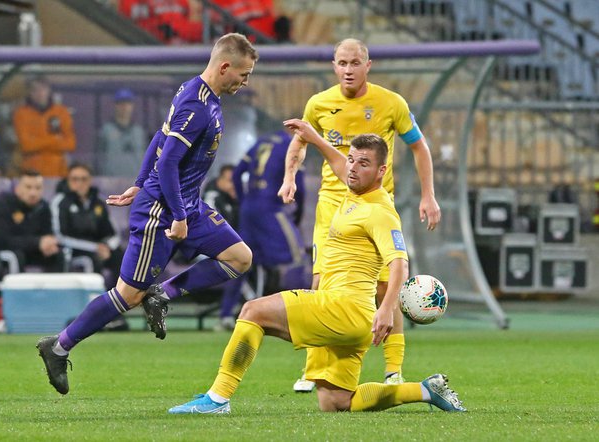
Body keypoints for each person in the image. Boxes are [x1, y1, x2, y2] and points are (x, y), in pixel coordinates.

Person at [168, 127, 464, 414]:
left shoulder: (379, 210)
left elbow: (400, 262)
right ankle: (426, 391)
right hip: (352, 320)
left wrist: (386, 309)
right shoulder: (355, 192)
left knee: (252, 311)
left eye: (364, 163)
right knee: (336, 402)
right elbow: (339, 163)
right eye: (353, 160)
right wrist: (314, 138)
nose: (353, 168)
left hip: (343, 308)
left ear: (381, 172)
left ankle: (217, 397)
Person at [36, 33, 259, 395]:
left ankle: (165, 294)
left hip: (186, 202)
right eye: (244, 74)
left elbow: (160, 137)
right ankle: (58, 347)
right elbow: (169, 160)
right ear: (224, 67)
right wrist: (177, 214)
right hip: (163, 211)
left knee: (239, 257)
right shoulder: (196, 105)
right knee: (127, 295)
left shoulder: (202, 93)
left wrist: (139, 182)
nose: (245, 82)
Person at [278, 38, 441, 392]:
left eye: (355, 63)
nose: (348, 70)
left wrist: (428, 195)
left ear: (369, 65)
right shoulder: (319, 103)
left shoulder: (391, 103)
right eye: (341, 63)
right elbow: (300, 141)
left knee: (386, 288)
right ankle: (312, 370)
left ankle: (393, 370)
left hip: (375, 207)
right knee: (321, 285)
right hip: (332, 208)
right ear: (334, 66)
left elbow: (419, 146)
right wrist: (290, 177)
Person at [231, 128, 308, 299]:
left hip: (249, 209)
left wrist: (244, 201)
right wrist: (298, 215)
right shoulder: (292, 146)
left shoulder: (261, 142)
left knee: (242, 260)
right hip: (271, 209)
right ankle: (297, 308)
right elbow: (300, 188)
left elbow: (236, 174)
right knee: (296, 257)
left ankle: (227, 314)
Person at [51, 163, 124, 287]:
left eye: (84, 179)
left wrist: (107, 246)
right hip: (74, 249)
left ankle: (120, 299)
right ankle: (94, 300)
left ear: (90, 181)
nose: (79, 183)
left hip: (99, 247)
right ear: (68, 181)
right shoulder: (60, 202)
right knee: (91, 259)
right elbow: (60, 236)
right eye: (75, 179)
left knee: (121, 256)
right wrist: (95, 247)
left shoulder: (99, 202)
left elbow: (113, 233)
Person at [0, 169, 64, 272]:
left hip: (31, 250)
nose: (33, 193)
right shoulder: (3, 204)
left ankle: (53, 287)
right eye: (28, 187)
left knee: (57, 255)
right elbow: (3, 239)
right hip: (0, 251)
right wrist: (37, 242)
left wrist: (49, 244)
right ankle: (15, 288)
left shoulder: (43, 207)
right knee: (16, 256)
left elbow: (47, 234)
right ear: (18, 188)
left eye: (38, 188)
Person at [203, 164, 242, 330]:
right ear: (219, 180)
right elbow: (210, 228)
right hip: (204, 247)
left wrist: (236, 200)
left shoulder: (231, 197)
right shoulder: (212, 197)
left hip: (225, 247)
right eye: (228, 180)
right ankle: (229, 314)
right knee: (241, 267)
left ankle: (236, 310)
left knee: (249, 263)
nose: (232, 184)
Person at [13, 75, 76, 177]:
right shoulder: (21, 114)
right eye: (35, 90)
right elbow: (26, 145)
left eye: (43, 89)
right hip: (32, 172)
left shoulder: (61, 112)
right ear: (29, 92)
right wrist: (55, 140)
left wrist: (37, 141)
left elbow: (70, 144)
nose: (40, 93)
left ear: (49, 90)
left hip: (59, 172)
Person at [96, 88, 147, 178]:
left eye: (128, 103)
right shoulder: (106, 130)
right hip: (111, 180)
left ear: (132, 106)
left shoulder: (139, 131)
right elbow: (98, 157)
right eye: (121, 103)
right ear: (115, 105)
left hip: (134, 181)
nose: (124, 107)